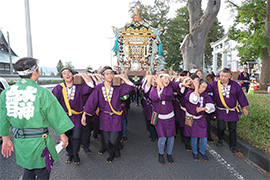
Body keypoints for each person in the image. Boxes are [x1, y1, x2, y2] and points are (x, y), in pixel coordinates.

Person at [0, 57, 74, 179]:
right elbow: (55, 114)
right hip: (40, 141)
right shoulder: (42, 92)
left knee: (28, 170)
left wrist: (6, 138)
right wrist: (62, 135)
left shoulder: (6, 93)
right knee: (42, 172)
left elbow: (2, 117)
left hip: (21, 142)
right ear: (35, 72)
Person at [82, 66, 135, 163]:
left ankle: (117, 151)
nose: (110, 75)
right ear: (103, 76)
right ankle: (111, 154)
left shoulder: (118, 87)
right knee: (106, 141)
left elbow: (131, 87)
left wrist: (122, 77)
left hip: (116, 117)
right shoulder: (99, 87)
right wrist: (84, 114)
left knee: (113, 140)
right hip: (104, 117)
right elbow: (91, 101)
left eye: (111, 73)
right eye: (107, 74)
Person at [52, 67, 94, 165]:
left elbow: (90, 86)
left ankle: (75, 153)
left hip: (76, 117)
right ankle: (70, 153)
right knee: (67, 136)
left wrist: (82, 75)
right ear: (62, 77)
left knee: (76, 136)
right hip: (64, 117)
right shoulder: (59, 88)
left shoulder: (79, 86)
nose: (67, 75)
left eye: (69, 73)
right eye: (64, 73)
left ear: (73, 74)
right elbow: (53, 102)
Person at [146, 70, 185, 165]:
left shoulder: (169, 89)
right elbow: (154, 97)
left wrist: (163, 85)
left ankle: (169, 154)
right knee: (162, 138)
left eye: (168, 78)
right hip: (159, 118)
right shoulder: (153, 89)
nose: (167, 80)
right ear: (159, 80)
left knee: (171, 137)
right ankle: (161, 154)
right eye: (164, 78)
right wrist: (158, 85)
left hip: (170, 117)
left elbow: (168, 95)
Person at [206, 68, 249, 153]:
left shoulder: (235, 85)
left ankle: (233, 146)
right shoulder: (214, 84)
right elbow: (205, 90)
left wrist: (244, 107)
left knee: (232, 129)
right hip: (220, 110)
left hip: (232, 111)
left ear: (230, 76)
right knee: (221, 127)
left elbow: (241, 96)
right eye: (222, 76)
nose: (223, 78)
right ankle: (220, 138)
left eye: (225, 76)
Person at [184, 78, 215, 161]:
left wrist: (203, 108)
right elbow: (194, 100)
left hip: (201, 118)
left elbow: (212, 106)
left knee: (204, 136)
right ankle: (195, 152)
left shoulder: (205, 94)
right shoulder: (190, 92)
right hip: (193, 118)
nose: (203, 89)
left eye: (205, 87)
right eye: (202, 87)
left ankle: (203, 152)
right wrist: (196, 88)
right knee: (194, 137)